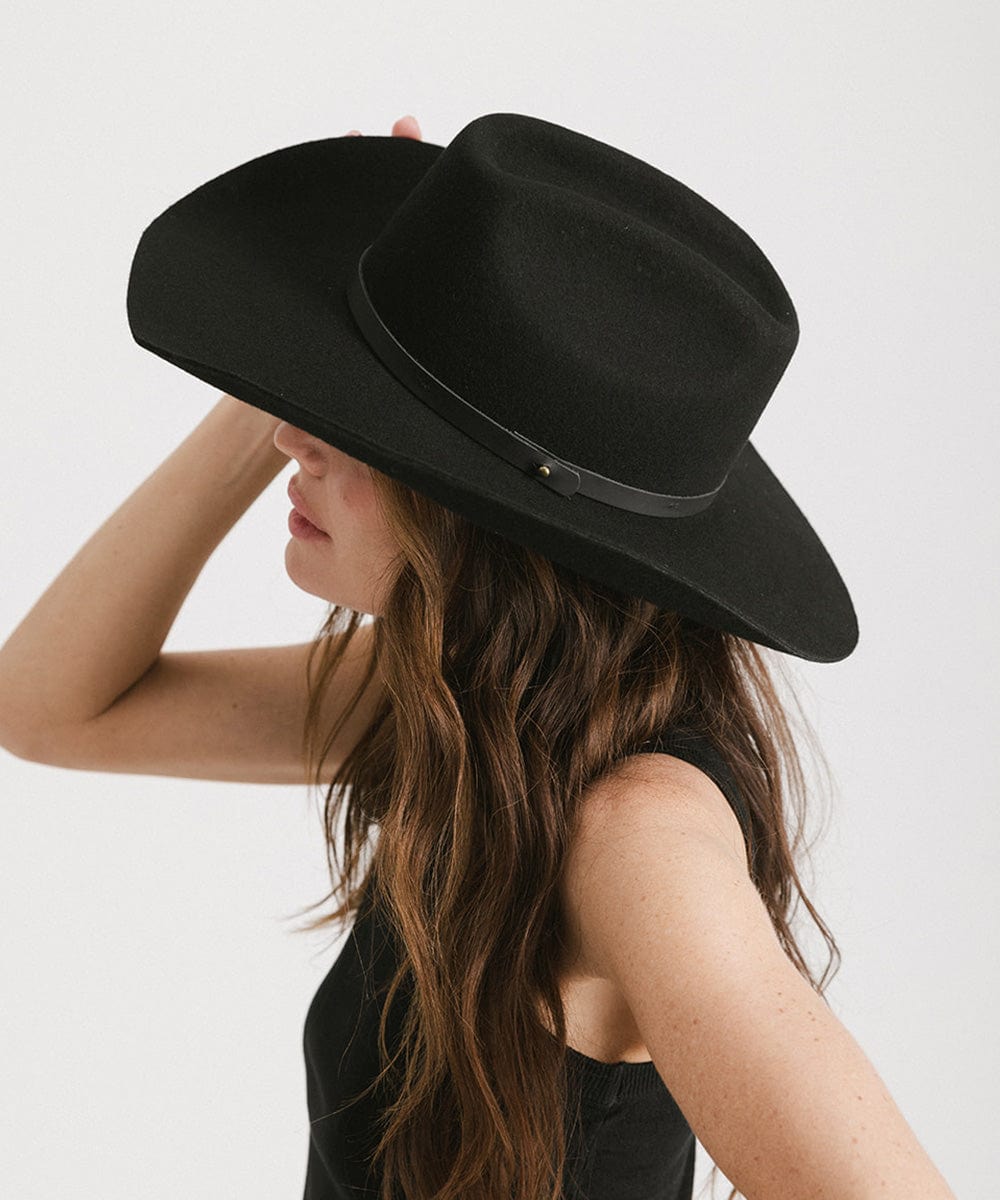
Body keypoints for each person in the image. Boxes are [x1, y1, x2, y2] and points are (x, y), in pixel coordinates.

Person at [0, 113, 957, 1200]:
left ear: (500, 522)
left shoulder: (634, 835)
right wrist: (279, 385)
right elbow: (47, 708)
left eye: (365, 424)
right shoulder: (475, 702)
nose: (293, 441)